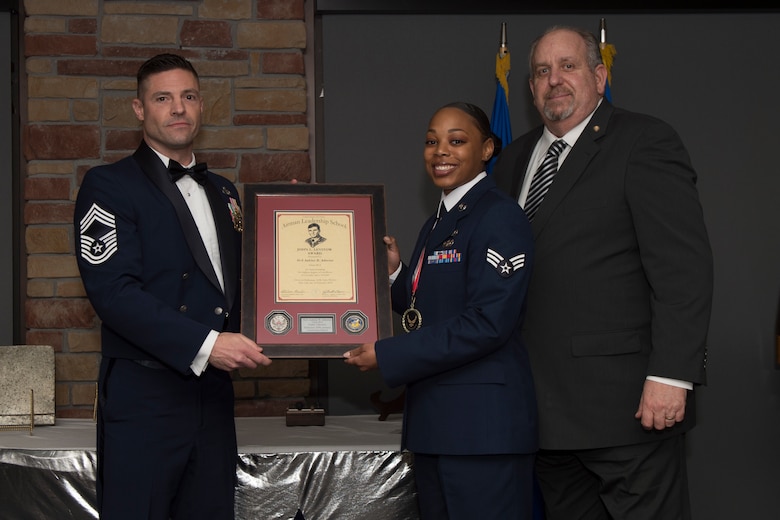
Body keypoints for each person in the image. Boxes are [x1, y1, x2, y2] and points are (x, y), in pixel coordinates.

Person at [492, 26, 713, 520]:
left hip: (629, 409)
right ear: (529, 89)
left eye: (568, 66)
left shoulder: (644, 140)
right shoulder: (511, 161)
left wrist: (672, 375)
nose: (555, 80)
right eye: (542, 71)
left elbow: (683, 268)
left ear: (599, 75)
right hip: (540, 415)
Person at [74, 53, 272, 520]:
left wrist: (293, 226)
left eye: (188, 97)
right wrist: (207, 345)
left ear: (202, 106)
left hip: (213, 398)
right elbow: (114, 294)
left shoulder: (225, 192)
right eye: (163, 98)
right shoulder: (108, 185)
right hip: (145, 396)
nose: (177, 108)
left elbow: (243, 286)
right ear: (140, 109)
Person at [343, 102, 538, 519]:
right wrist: (397, 275)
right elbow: (430, 310)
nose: (440, 151)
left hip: (482, 434)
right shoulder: (438, 222)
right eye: (432, 141)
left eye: (456, 140)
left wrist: (388, 354)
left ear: (487, 149)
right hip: (436, 426)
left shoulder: (499, 216)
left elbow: (487, 323)